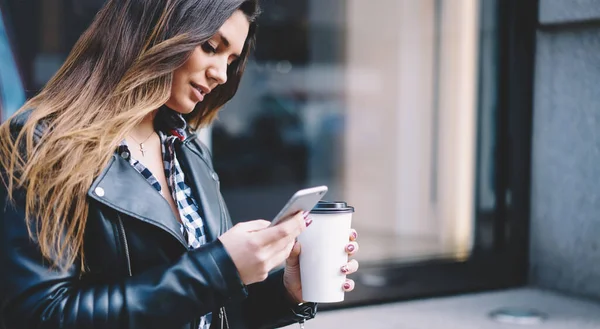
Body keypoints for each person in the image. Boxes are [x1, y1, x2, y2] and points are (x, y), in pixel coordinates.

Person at [0, 1, 360, 329]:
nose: (221, 73)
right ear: (157, 29)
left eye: (231, 60)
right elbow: (39, 315)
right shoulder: (42, 142)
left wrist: (287, 293)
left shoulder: (187, 149)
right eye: (211, 47)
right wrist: (220, 269)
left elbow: (211, 314)